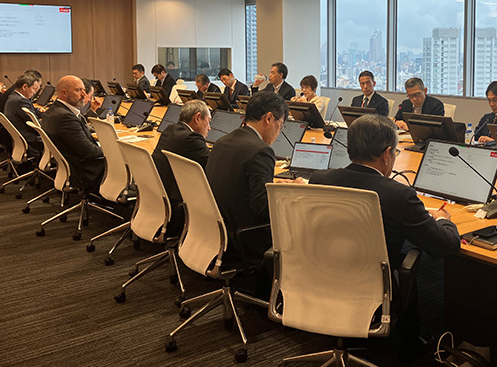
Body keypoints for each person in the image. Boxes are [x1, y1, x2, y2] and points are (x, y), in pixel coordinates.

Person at [310, 113, 460, 267]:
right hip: (375, 279)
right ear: (386, 155)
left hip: (321, 271)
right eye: (395, 151)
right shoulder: (399, 195)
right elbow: (447, 246)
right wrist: (443, 220)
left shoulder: (319, 180)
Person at [206, 92, 293, 261]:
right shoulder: (261, 151)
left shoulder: (223, 141)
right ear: (269, 118)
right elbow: (263, 210)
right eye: (280, 126)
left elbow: (239, 184)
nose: (278, 133)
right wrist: (287, 195)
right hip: (242, 239)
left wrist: (273, 187)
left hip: (214, 231)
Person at [152, 100, 211, 236]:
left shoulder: (170, 129)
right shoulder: (192, 139)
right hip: (175, 203)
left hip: (158, 196)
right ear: (197, 118)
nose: (209, 128)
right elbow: (212, 167)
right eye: (208, 121)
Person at [41, 76, 104, 191]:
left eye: (84, 90)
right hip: (85, 170)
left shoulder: (53, 110)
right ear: (64, 93)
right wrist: (113, 150)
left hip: (71, 164)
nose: (84, 94)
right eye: (78, 90)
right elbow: (89, 152)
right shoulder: (65, 117)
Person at [3, 72, 43, 155]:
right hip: (30, 138)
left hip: (21, 136)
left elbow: (33, 112)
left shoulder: (13, 96)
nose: (35, 92)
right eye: (34, 89)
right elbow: (36, 123)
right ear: (24, 87)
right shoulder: (21, 101)